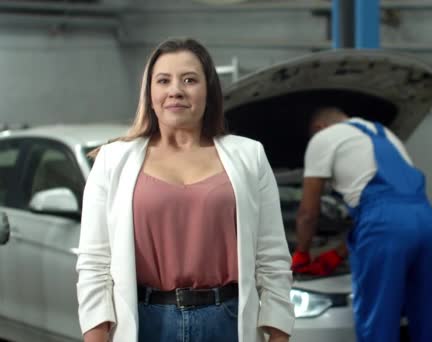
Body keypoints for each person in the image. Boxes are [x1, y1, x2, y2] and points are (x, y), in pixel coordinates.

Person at [76, 38, 294, 342]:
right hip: (145, 324)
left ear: (209, 90)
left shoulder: (250, 155)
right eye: (163, 80)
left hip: (228, 323)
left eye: (189, 80)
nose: (175, 90)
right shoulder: (113, 161)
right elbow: (94, 263)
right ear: (149, 92)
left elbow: (271, 257)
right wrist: (96, 335)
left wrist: (279, 333)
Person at [292, 107, 432, 342]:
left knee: (378, 322)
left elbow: (307, 213)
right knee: (424, 316)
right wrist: (338, 253)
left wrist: (302, 252)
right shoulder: (385, 134)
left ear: (319, 128)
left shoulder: (322, 138)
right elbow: (388, 212)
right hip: (425, 219)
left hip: (383, 223)